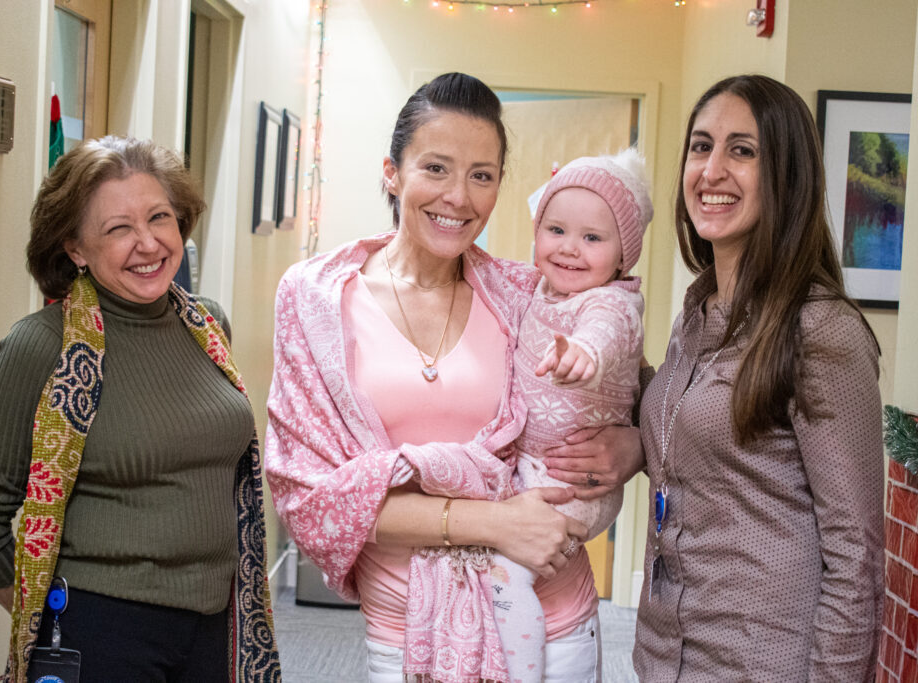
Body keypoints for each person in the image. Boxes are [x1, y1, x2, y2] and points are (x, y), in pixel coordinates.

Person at [265, 73, 622, 683]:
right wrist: (492, 522)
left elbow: (629, 380)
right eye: (436, 168)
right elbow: (308, 494)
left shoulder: (523, 295)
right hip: (405, 630)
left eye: (481, 175)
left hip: (553, 619)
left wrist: (629, 445)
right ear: (392, 172)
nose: (459, 197)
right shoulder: (316, 299)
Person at [0, 136, 281, 681]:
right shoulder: (41, 346)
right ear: (75, 250)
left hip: (220, 621)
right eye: (117, 228)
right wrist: (47, 618)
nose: (149, 242)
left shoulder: (207, 326)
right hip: (101, 631)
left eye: (160, 217)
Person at [628, 75, 884, 680]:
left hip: (762, 662)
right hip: (667, 653)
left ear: (786, 176)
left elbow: (857, 555)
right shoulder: (698, 311)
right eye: (700, 146)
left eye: (742, 151)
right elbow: (686, 434)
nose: (711, 170)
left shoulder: (819, 330)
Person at [490, 150, 651, 682]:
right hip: (535, 466)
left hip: (575, 484)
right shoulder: (536, 288)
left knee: (502, 571)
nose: (569, 249)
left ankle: (521, 667)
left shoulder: (609, 303)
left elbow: (604, 333)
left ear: (623, 256)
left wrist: (582, 354)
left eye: (592, 238)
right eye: (556, 229)